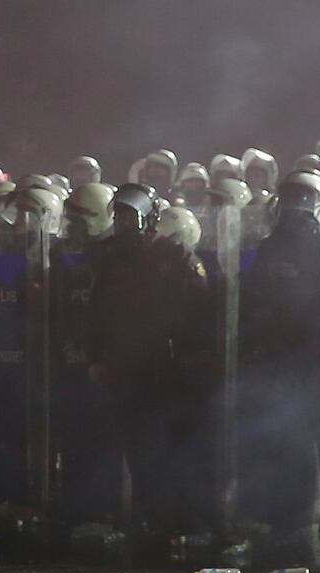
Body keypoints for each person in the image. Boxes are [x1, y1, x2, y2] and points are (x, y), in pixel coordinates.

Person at [87, 183, 212, 544]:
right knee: (138, 450)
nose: (125, 223)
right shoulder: (109, 257)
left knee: (173, 449)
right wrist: (96, 357)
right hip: (126, 369)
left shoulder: (174, 256)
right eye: (120, 215)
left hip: (167, 370)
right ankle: (152, 520)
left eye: (132, 215)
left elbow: (198, 315)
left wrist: (191, 362)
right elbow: (96, 313)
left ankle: (180, 522)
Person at [240, 170, 320, 565]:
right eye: (292, 198)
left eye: (305, 199)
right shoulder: (266, 251)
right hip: (279, 369)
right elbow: (249, 306)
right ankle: (289, 531)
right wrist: (253, 349)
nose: (298, 208)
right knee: (285, 451)